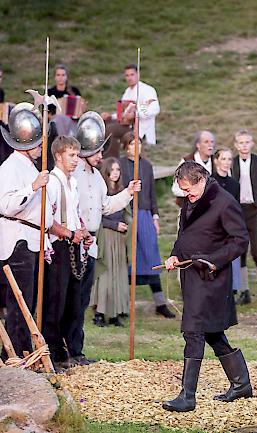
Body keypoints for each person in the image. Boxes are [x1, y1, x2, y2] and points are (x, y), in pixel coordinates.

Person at [162, 162, 252, 412]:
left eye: (188, 189)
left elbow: (240, 240)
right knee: (211, 332)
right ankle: (242, 383)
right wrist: (173, 255)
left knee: (193, 330)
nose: (186, 194)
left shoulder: (223, 201)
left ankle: (187, 396)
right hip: (192, 275)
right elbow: (184, 234)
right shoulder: (191, 199)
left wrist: (215, 261)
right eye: (182, 191)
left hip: (212, 278)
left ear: (201, 180)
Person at [71, 112, 141, 362]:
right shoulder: (74, 175)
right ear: (86, 151)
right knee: (71, 299)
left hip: (91, 243)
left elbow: (106, 206)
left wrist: (129, 193)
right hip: (74, 241)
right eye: (98, 151)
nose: (102, 155)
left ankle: (76, 351)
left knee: (80, 301)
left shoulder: (96, 177)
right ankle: (64, 350)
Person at [0, 103, 54, 358]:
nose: (42, 148)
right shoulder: (10, 167)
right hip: (19, 238)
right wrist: (33, 187)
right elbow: (6, 205)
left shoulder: (29, 165)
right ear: (27, 143)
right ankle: (14, 353)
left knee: (27, 301)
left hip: (32, 238)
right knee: (19, 301)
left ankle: (23, 350)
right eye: (39, 143)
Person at [43, 135, 93, 369]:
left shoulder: (72, 183)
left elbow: (73, 214)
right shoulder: (52, 182)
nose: (76, 160)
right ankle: (53, 352)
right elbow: (47, 220)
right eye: (71, 155)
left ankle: (70, 350)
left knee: (73, 301)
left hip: (73, 244)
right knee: (56, 300)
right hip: (58, 245)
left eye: (77, 155)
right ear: (58, 156)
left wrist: (81, 233)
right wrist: (69, 234)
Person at [120, 131, 175, 318]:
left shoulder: (147, 165)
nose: (137, 147)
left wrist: (155, 217)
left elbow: (152, 195)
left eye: (139, 144)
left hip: (145, 216)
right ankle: (122, 304)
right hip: (127, 215)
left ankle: (160, 303)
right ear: (126, 146)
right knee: (129, 260)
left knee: (151, 258)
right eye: (132, 144)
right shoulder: (120, 165)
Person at [231, 130, 257, 308]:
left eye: (247, 142)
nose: (244, 145)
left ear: (252, 143)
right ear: (236, 145)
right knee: (240, 251)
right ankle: (244, 291)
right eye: (240, 142)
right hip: (238, 210)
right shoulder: (231, 163)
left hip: (256, 210)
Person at [90, 157, 131, 327]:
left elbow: (127, 213)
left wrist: (128, 225)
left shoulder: (121, 191)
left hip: (119, 239)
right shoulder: (101, 190)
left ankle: (115, 313)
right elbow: (97, 216)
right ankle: (99, 313)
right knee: (105, 274)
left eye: (118, 170)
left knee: (118, 273)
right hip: (106, 236)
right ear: (106, 171)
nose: (115, 173)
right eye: (112, 170)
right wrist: (114, 225)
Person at [212, 148, 241, 293]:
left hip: (229, 228)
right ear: (216, 161)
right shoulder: (210, 181)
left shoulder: (234, 184)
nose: (226, 162)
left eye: (229, 159)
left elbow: (236, 208)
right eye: (223, 159)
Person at [171, 130, 216, 205]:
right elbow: (176, 189)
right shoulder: (187, 161)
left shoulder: (216, 161)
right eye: (206, 142)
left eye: (212, 142)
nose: (210, 145)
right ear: (198, 145)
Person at [120, 63, 160, 145]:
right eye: (127, 75)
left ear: (138, 75)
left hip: (142, 128)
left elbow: (155, 109)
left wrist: (136, 114)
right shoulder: (127, 92)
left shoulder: (147, 90)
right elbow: (123, 111)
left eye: (132, 75)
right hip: (127, 125)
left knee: (112, 130)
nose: (129, 78)